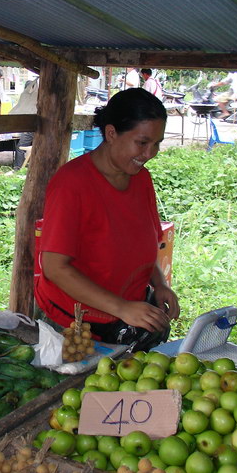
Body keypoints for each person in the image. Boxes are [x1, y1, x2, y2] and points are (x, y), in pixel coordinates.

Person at [34, 88, 179, 347]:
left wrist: (159, 284)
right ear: (111, 133)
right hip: (76, 324)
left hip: (125, 316)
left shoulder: (141, 179)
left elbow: (145, 246)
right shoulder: (72, 184)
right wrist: (122, 308)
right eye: (142, 142)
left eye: (156, 144)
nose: (150, 154)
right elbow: (55, 268)